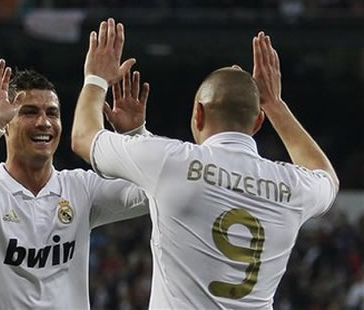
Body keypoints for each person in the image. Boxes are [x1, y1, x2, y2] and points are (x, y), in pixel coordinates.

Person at [71, 18, 339, 309]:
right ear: (259, 122)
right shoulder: (292, 186)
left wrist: (96, 79)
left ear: (198, 114)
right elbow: (326, 177)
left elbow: (84, 137)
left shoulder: (171, 160)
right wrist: (275, 103)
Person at [0, 58, 151, 309]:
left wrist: (135, 137)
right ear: (5, 125)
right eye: (30, 112)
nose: (44, 122)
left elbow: (154, 192)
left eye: (52, 113)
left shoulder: (81, 189)